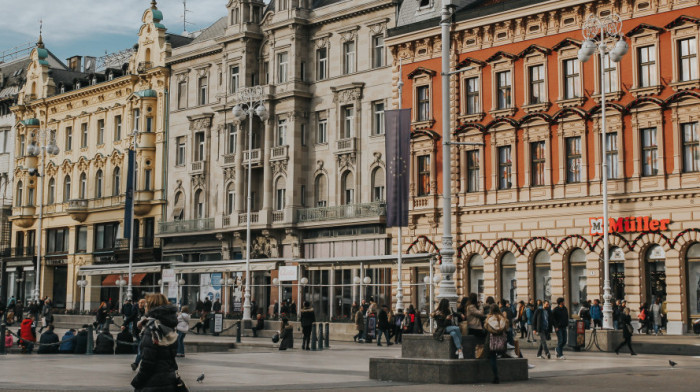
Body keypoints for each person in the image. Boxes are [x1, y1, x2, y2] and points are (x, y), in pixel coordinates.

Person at [131, 294, 179, 391]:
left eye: (146, 305)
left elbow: (147, 363)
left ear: (151, 307)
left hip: (153, 383)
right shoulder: (169, 326)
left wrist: (137, 381)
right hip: (168, 380)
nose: (144, 308)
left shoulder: (152, 329)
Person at [484, 303, 508, 384]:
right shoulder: (502, 318)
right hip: (501, 341)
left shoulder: (489, 319)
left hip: (491, 341)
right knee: (496, 356)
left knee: (492, 358)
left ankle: (496, 377)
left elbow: (486, 329)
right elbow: (505, 329)